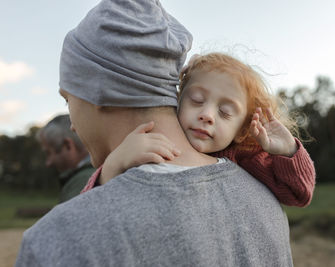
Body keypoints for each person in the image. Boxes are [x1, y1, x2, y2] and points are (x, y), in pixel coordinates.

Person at [16, 0, 294, 266]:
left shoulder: (57, 242)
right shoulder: (266, 202)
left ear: (98, 90)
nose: (73, 125)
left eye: (68, 99)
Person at [82, 53, 316, 207]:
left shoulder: (244, 159)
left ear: (242, 130)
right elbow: (87, 210)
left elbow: (299, 194)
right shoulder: (151, 140)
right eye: (196, 100)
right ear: (177, 100)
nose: (207, 115)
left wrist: (288, 151)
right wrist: (112, 166)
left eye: (224, 112)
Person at [37, 114, 95, 203]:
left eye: (48, 153)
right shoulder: (104, 172)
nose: (48, 163)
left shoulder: (83, 182)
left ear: (68, 146)